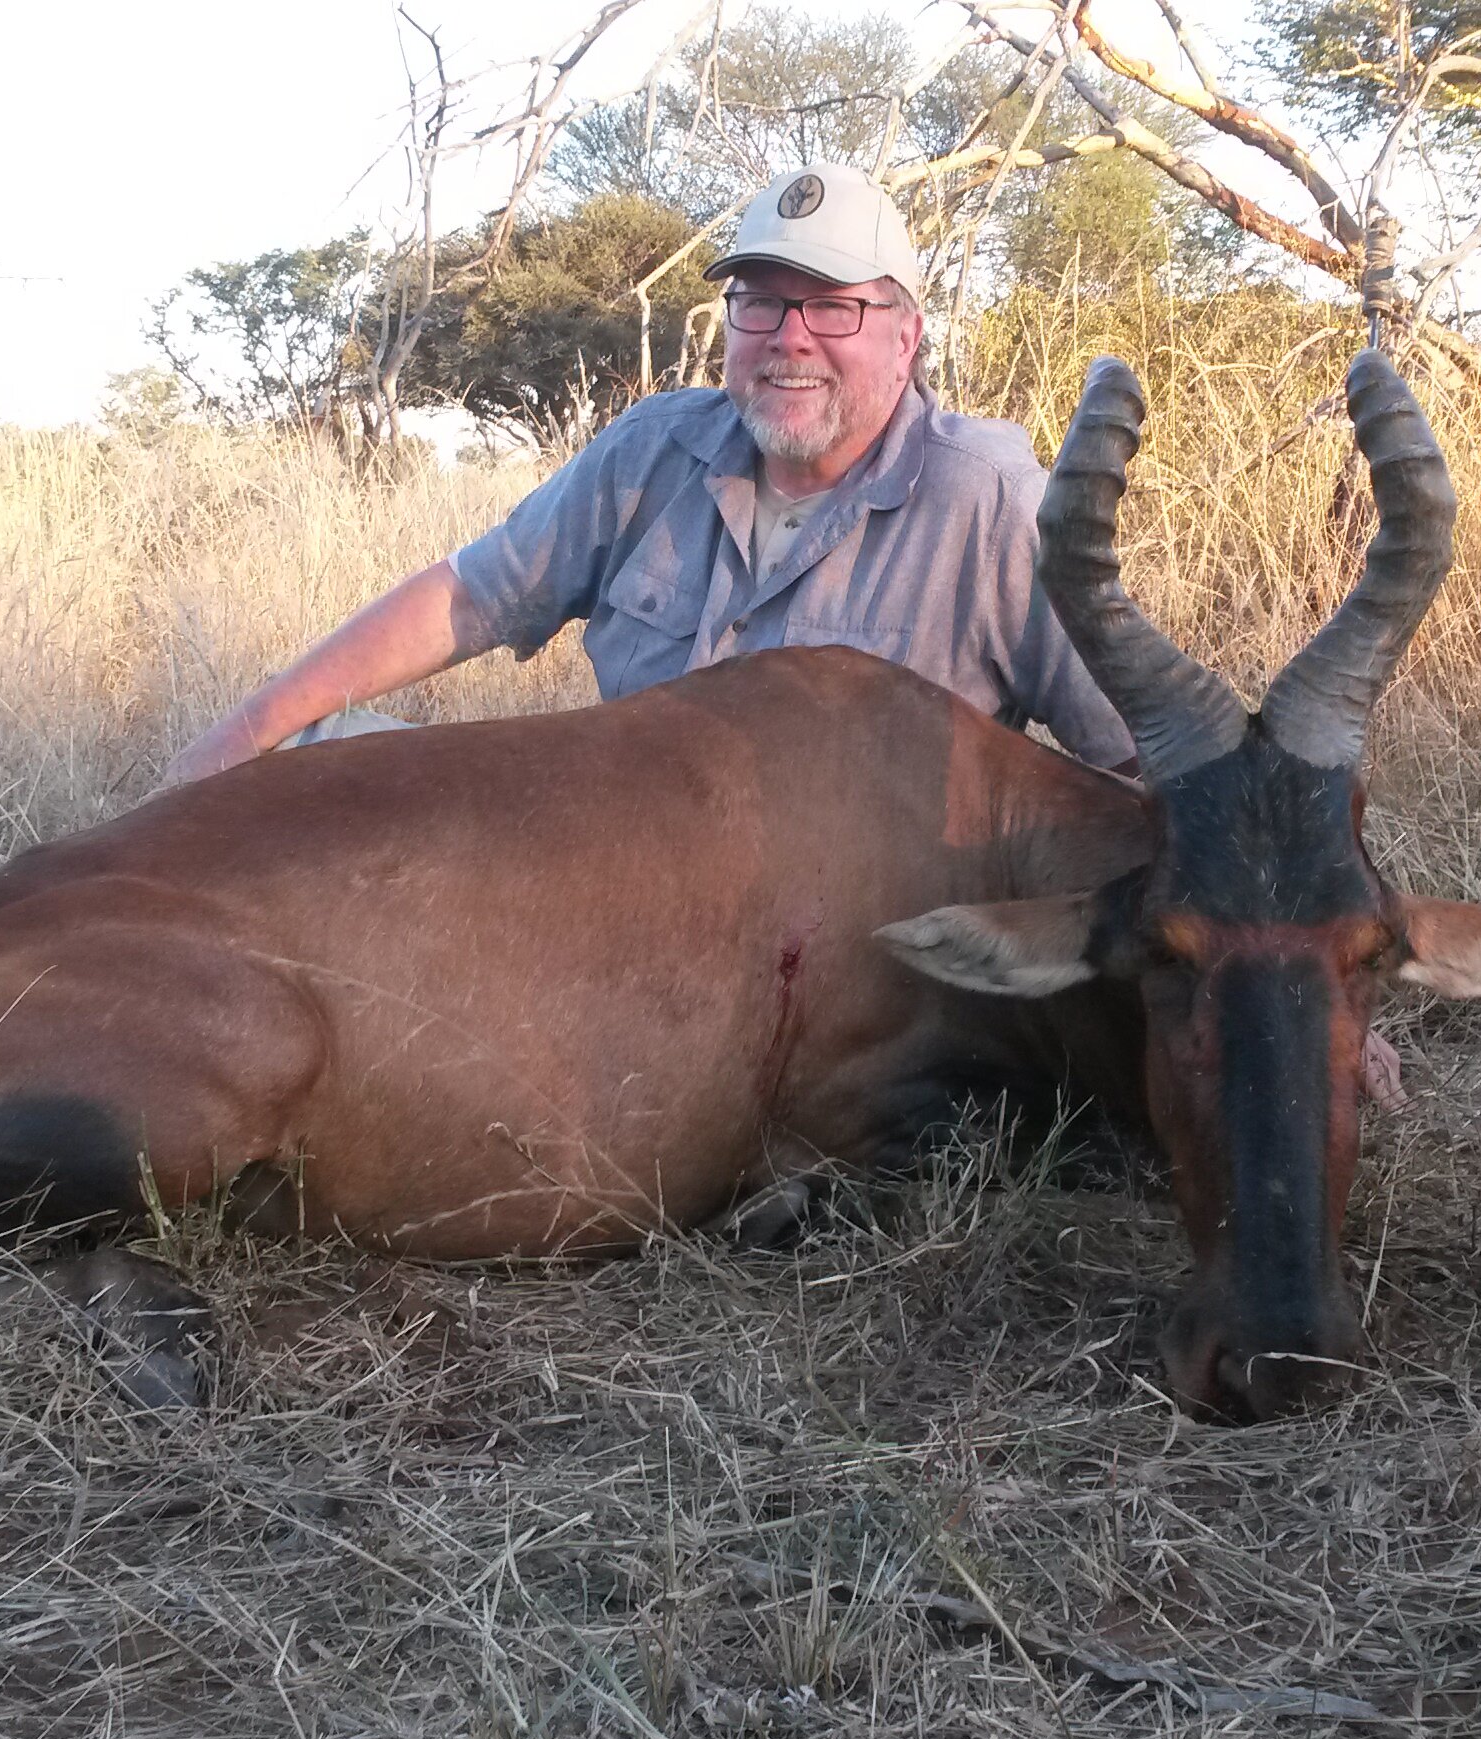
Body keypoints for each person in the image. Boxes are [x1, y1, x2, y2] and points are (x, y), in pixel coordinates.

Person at [161, 160, 1405, 1106]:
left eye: (836, 310)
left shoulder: (988, 498)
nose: (790, 339)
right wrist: (253, 728)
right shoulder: (658, 447)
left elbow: (1147, 778)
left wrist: (1293, 1002)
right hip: (607, 894)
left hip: (841, 971)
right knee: (318, 771)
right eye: (762, 305)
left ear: (908, 334)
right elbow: (472, 596)